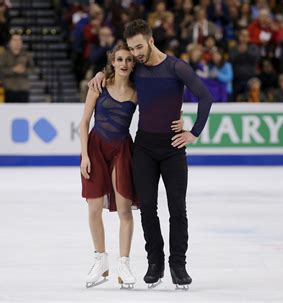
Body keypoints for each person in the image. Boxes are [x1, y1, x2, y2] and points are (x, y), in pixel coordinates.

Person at [89, 19, 213, 290]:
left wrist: (193, 132)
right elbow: (115, 73)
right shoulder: (137, 70)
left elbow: (205, 97)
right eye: (131, 49)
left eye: (138, 47)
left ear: (151, 40)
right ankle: (154, 263)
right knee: (147, 209)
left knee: (177, 210)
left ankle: (178, 265)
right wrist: (100, 74)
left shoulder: (176, 67)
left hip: (173, 149)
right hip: (143, 148)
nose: (134, 54)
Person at [80, 41, 184, 289]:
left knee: (125, 209)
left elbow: (163, 105)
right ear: (112, 62)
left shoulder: (139, 91)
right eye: (119, 59)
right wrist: (84, 155)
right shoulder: (99, 85)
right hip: (95, 148)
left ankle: (123, 263)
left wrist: (179, 117)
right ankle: (100, 260)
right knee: (94, 207)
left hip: (122, 150)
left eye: (129, 60)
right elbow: (84, 122)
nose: (124, 64)